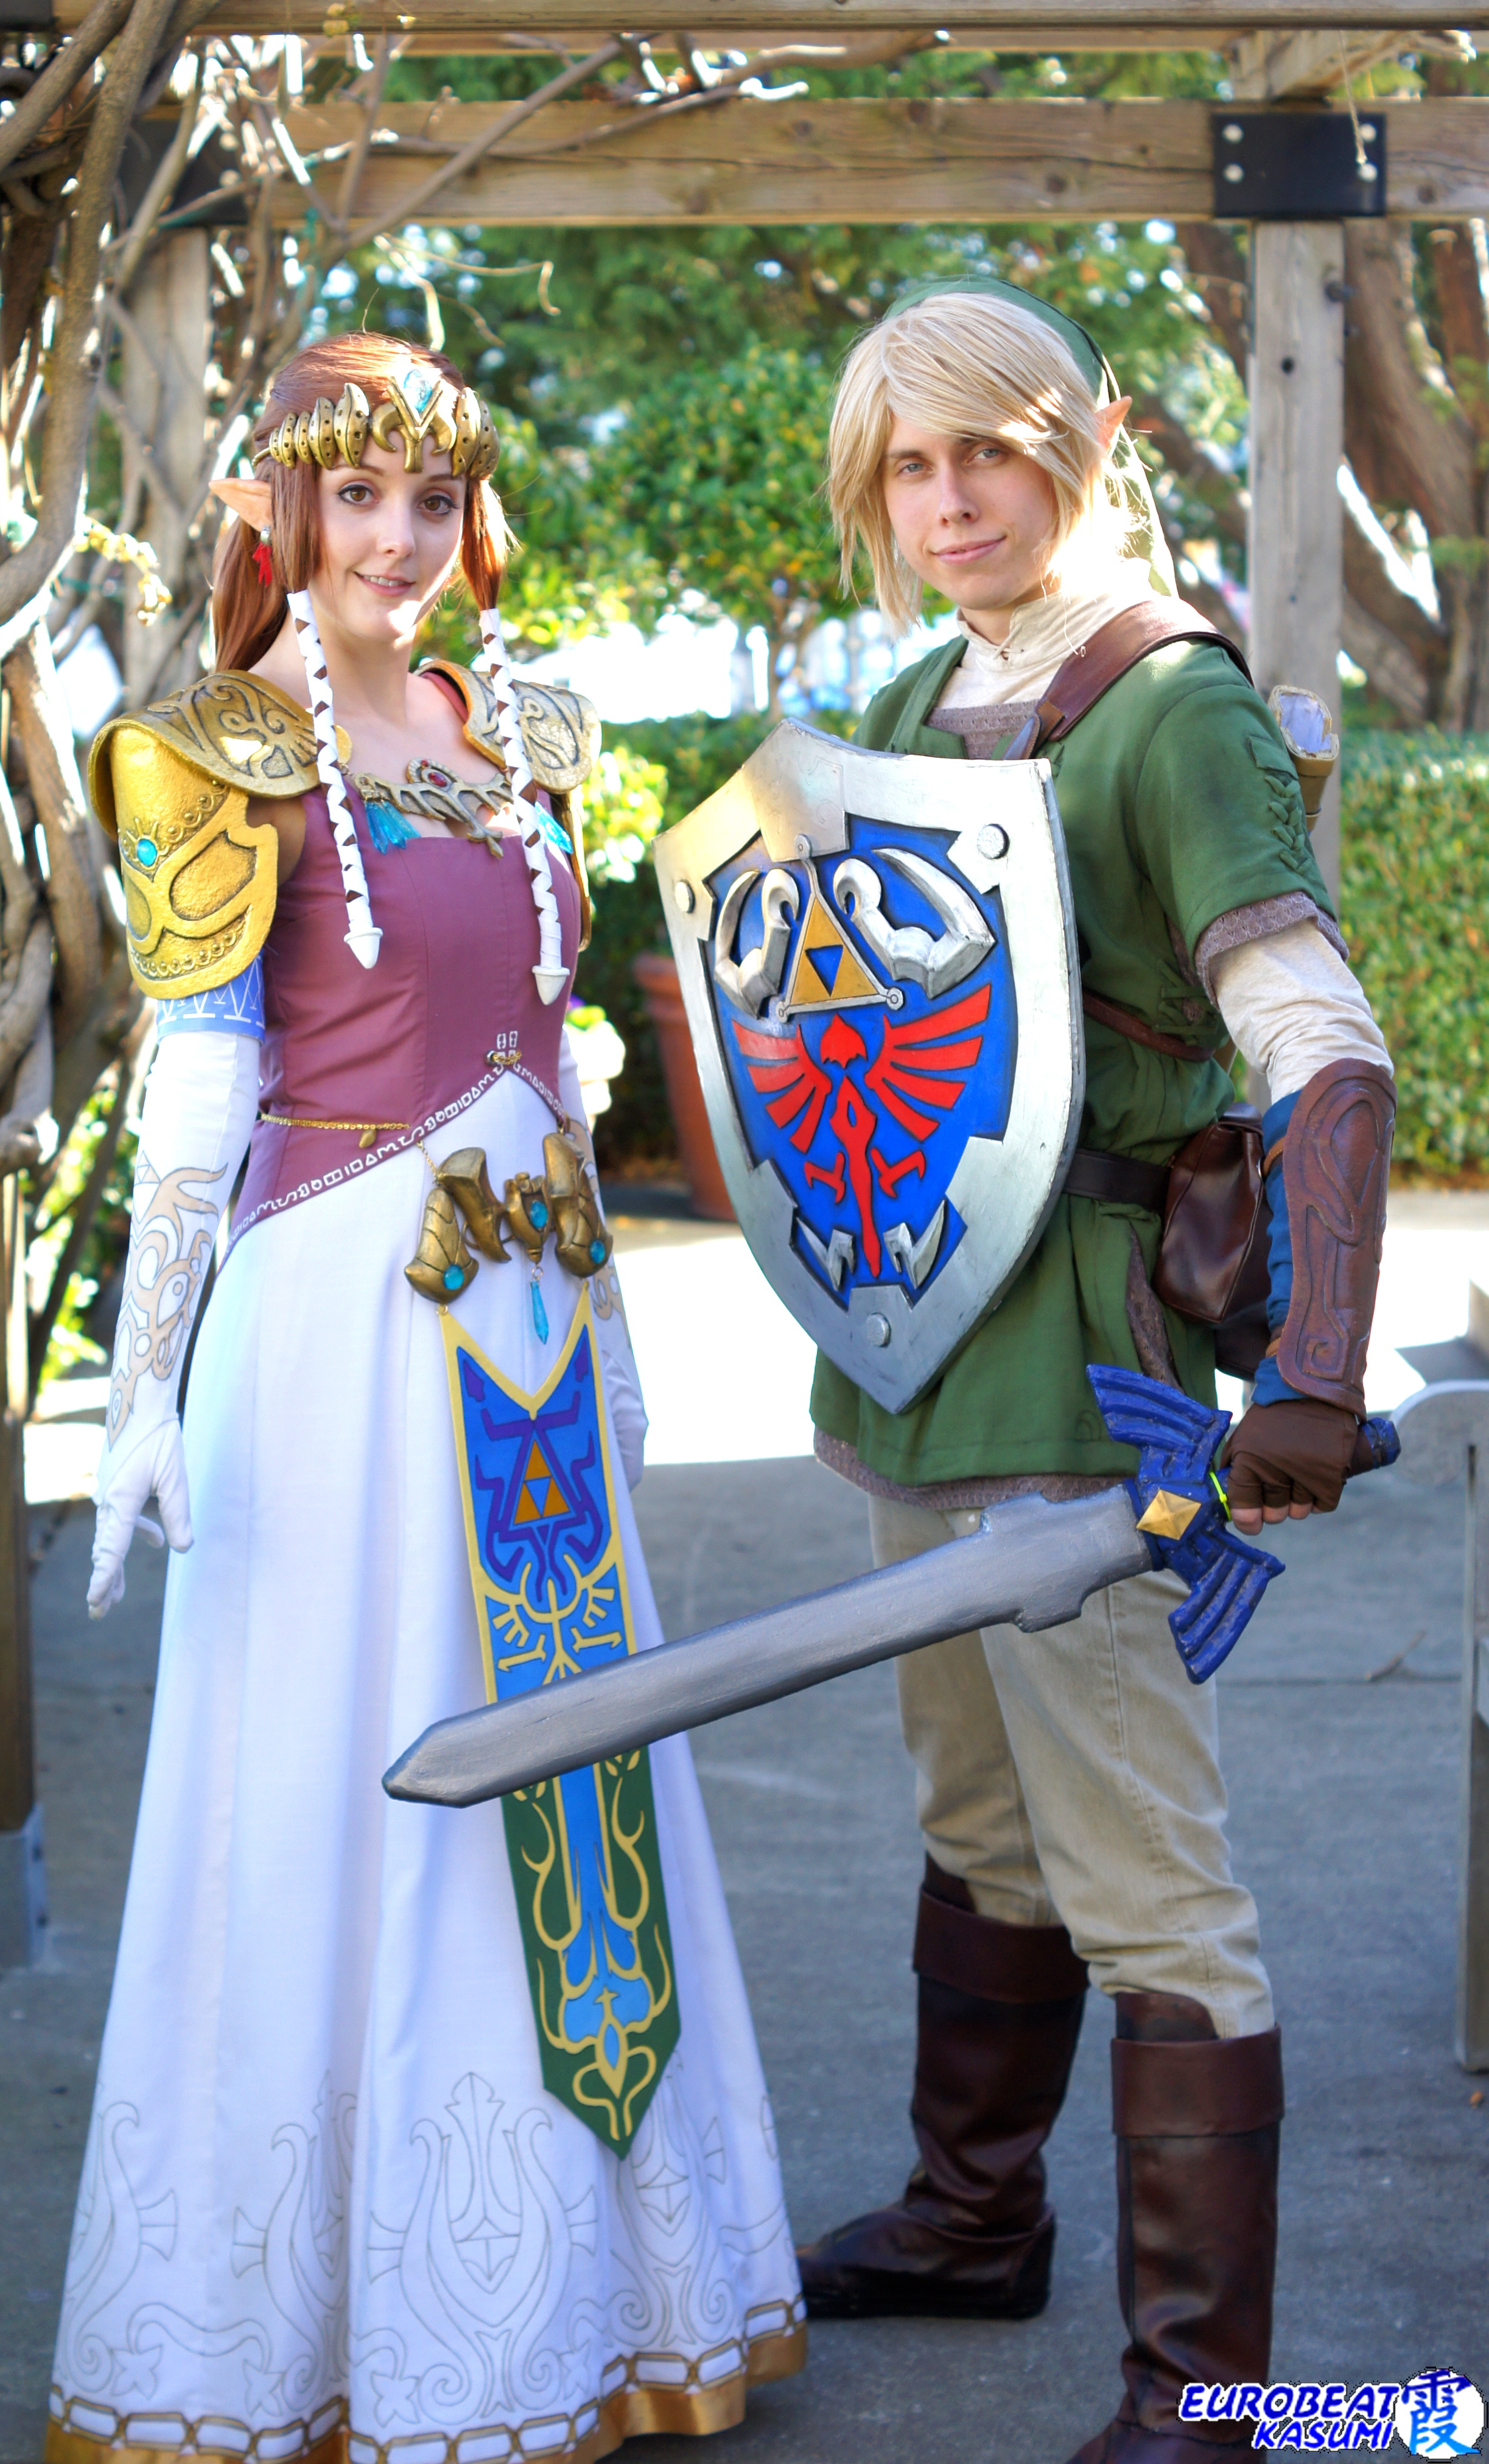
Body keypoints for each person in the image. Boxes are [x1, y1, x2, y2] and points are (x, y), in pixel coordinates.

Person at [45, 334, 804, 2464]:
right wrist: (139, 1394)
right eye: (354, 497)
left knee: (567, 1775)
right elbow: (200, 1093)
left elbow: (554, 1063)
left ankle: (584, 2317)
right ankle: (312, 2353)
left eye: (430, 498)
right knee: (340, 1777)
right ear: (276, 514)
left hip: (533, 1331)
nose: (395, 539)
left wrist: (620, 1337)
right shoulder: (207, 750)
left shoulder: (516, 730)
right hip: (338, 1337)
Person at [796, 282, 1394, 2461]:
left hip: (1085, 1375)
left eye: (987, 451)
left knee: (1148, 1880)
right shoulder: (898, 699)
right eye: (908, 466)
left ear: (1083, 444)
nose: (948, 501)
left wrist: (1314, 1364)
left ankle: (1219, 2404)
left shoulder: (1168, 707)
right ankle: (974, 2220)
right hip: (915, 1362)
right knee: (978, 1823)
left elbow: (1319, 1044)